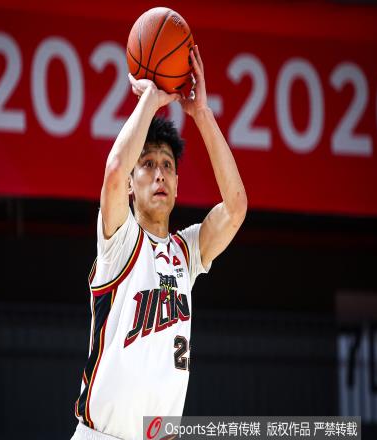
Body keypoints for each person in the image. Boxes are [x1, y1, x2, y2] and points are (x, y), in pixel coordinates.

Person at [71, 45, 247, 440]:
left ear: (178, 185)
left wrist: (202, 114)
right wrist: (151, 99)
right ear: (131, 185)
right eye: (148, 165)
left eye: (167, 165)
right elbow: (114, 169)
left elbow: (236, 206)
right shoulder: (121, 241)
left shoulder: (187, 252)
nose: (160, 174)